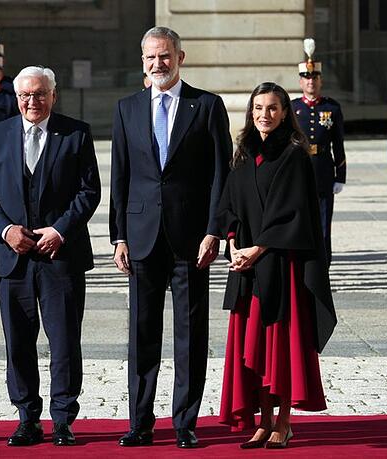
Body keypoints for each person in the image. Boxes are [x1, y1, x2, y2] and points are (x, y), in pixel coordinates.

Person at [109, 26, 232, 449]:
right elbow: (120, 176)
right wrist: (119, 236)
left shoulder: (207, 106)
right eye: (150, 57)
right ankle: (140, 422)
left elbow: (221, 174)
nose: (157, 63)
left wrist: (215, 230)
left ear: (180, 57)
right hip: (141, 236)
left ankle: (185, 422)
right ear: (142, 61)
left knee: (190, 334)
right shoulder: (127, 108)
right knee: (142, 334)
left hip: (191, 238)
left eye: (165, 56)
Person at [0, 66, 100, 448]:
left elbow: (88, 191)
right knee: (18, 344)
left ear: (53, 95)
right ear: (16, 97)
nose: (32, 101)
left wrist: (60, 230)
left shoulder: (76, 133)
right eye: (25, 95)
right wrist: (5, 231)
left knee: (64, 342)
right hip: (12, 260)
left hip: (61, 256)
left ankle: (63, 419)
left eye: (40, 93)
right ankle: (27, 418)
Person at [217, 82, 337, 449]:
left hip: (281, 265)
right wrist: (233, 244)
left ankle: (283, 422)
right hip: (247, 267)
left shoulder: (294, 155)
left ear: (285, 113)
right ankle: (263, 421)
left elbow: (294, 214)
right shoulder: (244, 153)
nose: (264, 115)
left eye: (272, 108)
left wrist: (257, 249)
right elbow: (229, 204)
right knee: (252, 345)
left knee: (278, 346)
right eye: (258, 108)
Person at [290, 38, 346, 264]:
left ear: (320, 80)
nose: (310, 82)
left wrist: (340, 176)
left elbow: (338, 144)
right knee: (299, 220)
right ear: (301, 82)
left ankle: (323, 264)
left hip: (323, 169)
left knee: (323, 223)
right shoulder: (293, 108)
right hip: (300, 171)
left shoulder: (331, 107)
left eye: (314, 78)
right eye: (306, 78)